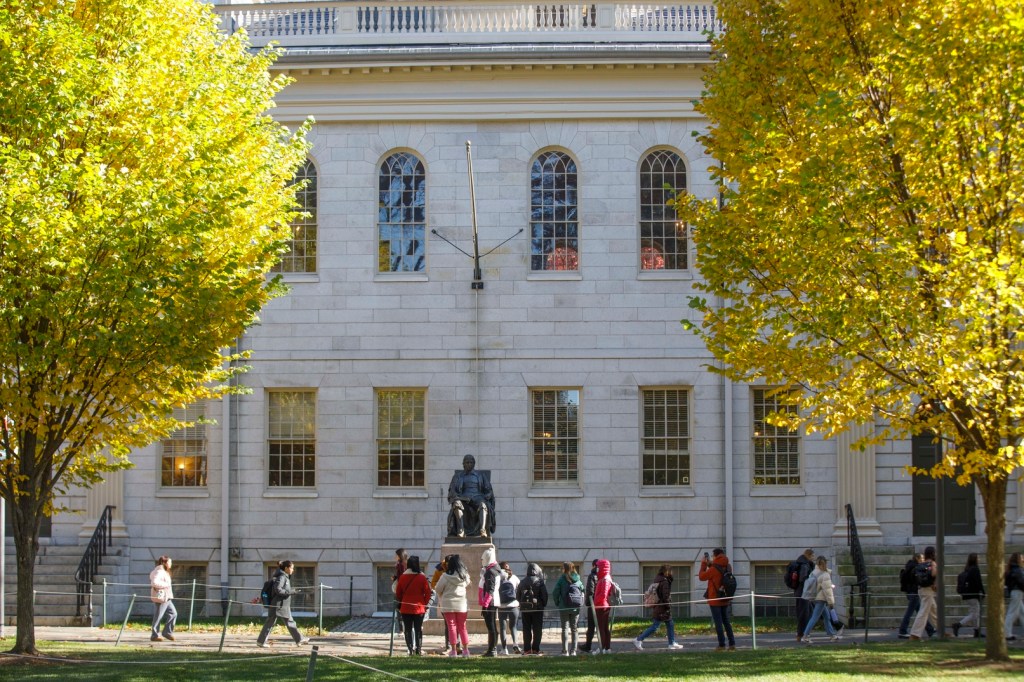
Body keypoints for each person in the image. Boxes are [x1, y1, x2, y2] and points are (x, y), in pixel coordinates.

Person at [256, 560, 310, 647]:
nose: (293, 570)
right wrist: (291, 591)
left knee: (279, 622)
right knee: (285, 622)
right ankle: (299, 639)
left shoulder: (284, 577)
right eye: (291, 568)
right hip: (279, 605)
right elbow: (278, 590)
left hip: (281, 605)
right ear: (286, 568)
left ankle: (299, 639)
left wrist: (291, 591)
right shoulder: (282, 577)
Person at [633, 564, 683, 651]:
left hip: (659, 607)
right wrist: (668, 606)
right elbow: (665, 596)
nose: (672, 573)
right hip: (662, 608)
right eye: (671, 571)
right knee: (655, 626)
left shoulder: (658, 580)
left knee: (669, 624)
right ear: (667, 572)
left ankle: (672, 643)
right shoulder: (665, 582)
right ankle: (638, 639)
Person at [447, 454, 496, 538]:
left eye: (471, 462)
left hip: (478, 497)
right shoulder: (458, 476)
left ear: (474, 464)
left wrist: (488, 495)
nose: (469, 464)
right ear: (463, 464)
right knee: (457, 504)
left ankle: (482, 530)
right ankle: (461, 530)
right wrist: (458, 498)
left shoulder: (480, 476)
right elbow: (452, 490)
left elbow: (489, 490)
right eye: (467, 462)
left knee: (483, 505)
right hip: (463, 498)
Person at [434, 553, 472, 656]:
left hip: (448, 604)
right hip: (462, 604)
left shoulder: (445, 576)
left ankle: (454, 650)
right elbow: (468, 585)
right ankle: (466, 650)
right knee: (462, 627)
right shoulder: (464, 576)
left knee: (451, 627)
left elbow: (437, 589)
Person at [395, 555, 432, 655]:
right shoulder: (422, 577)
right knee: (418, 629)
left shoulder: (403, 577)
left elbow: (398, 593)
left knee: (407, 629)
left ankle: (410, 649)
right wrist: (424, 602)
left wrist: (403, 599)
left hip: (406, 607)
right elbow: (428, 592)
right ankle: (418, 649)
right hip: (419, 608)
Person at [700, 548, 736, 651]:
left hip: (715, 599)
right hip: (725, 597)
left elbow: (702, 577)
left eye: (712, 556)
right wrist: (710, 564)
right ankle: (732, 644)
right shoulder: (728, 566)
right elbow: (718, 571)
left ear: (715, 556)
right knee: (726, 621)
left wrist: (703, 564)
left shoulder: (714, 568)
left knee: (718, 622)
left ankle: (721, 645)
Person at [799, 556, 840, 643]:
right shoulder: (825, 575)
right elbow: (827, 590)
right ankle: (805, 636)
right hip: (822, 599)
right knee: (814, 618)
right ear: (824, 564)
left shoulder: (814, 572)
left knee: (826, 616)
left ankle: (832, 635)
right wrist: (831, 602)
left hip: (815, 597)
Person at [898, 552, 935, 639]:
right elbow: (916, 580)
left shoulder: (910, 566)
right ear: (917, 559)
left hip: (910, 592)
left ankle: (930, 630)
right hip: (914, 592)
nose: (923, 560)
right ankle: (902, 631)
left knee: (921, 612)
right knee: (911, 612)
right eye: (922, 558)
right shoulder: (915, 568)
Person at [553, 561, 585, 656]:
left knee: (565, 629)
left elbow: (555, 592)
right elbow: (583, 590)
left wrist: (558, 602)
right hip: (575, 608)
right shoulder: (578, 580)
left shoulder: (562, 579)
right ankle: (573, 651)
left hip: (564, 607)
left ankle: (564, 651)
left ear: (564, 569)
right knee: (574, 629)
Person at [518, 562, 549, 655]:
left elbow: (518, 596)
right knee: (537, 629)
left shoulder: (522, 582)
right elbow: (544, 595)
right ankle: (536, 649)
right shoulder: (539, 581)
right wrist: (542, 605)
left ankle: (527, 649)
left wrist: (522, 604)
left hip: (525, 609)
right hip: (537, 609)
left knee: (526, 629)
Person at [909, 546, 939, 641]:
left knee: (934, 610)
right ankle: (915, 634)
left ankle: (941, 629)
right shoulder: (932, 563)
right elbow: (934, 574)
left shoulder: (923, 563)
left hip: (921, 589)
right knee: (923, 612)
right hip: (928, 590)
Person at [952, 552, 984, 638]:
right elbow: (978, 583)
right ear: (975, 559)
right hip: (973, 594)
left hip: (967, 594)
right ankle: (958, 624)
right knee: (975, 613)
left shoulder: (968, 569)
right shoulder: (975, 569)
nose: (979, 559)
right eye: (978, 558)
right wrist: (982, 593)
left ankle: (977, 631)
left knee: (974, 612)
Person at [479, 547, 503, 656]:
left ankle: (492, 649)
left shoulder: (490, 572)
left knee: (491, 626)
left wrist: (485, 604)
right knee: (492, 625)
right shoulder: (496, 569)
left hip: (491, 602)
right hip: (494, 600)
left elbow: (490, 590)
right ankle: (492, 648)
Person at [789, 548, 816, 641]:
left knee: (809, 612)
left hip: (802, 592)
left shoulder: (803, 563)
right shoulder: (804, 565)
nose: (814, 557)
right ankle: (801, 634)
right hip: (803, 593)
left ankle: (803, 633)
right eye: (812, 556)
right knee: (804, 614)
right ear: (808, 556)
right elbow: (803, 579)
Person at [149, 555, 176, 642]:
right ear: (165, 563)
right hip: (162, 596)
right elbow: (154, 582)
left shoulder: (163, 571)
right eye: (169, 562)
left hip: (167, 597)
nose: (171, 564)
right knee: (158, 616)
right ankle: (155, 635)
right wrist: (166, 585)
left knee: (173, 614)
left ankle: (167, 632)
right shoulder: (159, 571)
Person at [497, 561, 523, 655]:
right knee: (513, 626)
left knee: (503, 628)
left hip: (501, 605)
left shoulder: (498, 577)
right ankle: (515, 645)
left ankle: (504, 649)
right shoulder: (514, 577)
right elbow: (520, 589)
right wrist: (519, 601)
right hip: (513, 605)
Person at [591, 558, 616, 654]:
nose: (597, 568)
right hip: (602, 605)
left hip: (602, 606)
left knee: (602, 628)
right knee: (604, 627)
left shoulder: (605, 579)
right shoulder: (604, 578)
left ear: (602, 567)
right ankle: (606, 648)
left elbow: (603, 595)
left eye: (598, 567)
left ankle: (602, 648)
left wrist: (595, 601)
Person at [578, 559, 599, 653]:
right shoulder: (605, 575)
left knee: (591, 627)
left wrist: (588, 603)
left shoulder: (592, 576)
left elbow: (590, 591)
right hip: (603, 605)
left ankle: (588, 645)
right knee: (602, 626)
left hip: (593, 604)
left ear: (594, 566)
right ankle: (605, 646)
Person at [1005, 552, 1024, 641]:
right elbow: (1021, 581)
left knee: (1022, 612)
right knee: (1012, 613)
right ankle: (1007, 634)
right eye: (1021, 557)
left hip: (1015, 591)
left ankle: (1007, 633)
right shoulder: (1017, 569)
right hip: (1018, 591)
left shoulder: (1011, 569)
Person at [393, 548, 408, 635]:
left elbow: (402, 577)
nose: (395, 557)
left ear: (399, 556)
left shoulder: (401, 565)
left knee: (399, 608)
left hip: (401, 589)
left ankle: (402, 629)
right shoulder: (405, 564)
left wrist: (396, 579)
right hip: (404, 589)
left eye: (396, 555)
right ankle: (403, 628)